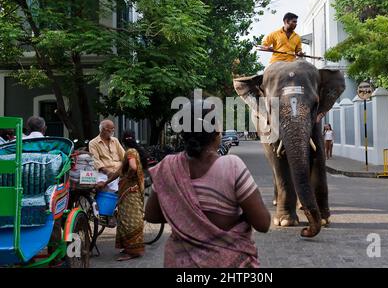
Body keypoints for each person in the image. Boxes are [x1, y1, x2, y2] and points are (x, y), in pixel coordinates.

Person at [145, 99, 270, 268]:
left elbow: (152, 215)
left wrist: (182, 215)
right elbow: (263, 223)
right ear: (216, 130)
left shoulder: (167, 167)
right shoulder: (232, 166)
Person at [97, 148, 145, 261]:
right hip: (128, 195)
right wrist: (106, 183)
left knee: (129, 222)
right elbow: (118, 173)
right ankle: (129, 249)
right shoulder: (130, 156)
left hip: (130, 195)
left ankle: (132, 252)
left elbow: (133, 167)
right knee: (124, 221)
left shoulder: (130, 153)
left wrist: (128, 177)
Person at [89, 119, 125, 192]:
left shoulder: (115, 140)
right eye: (110, 129)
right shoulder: (93, 143)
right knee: (103, 187)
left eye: (113, 129)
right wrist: (108, 172)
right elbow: (96, 161)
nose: (112, 131)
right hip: (104, 173)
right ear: (103, 130)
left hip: (119, 171)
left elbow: (124, 156)